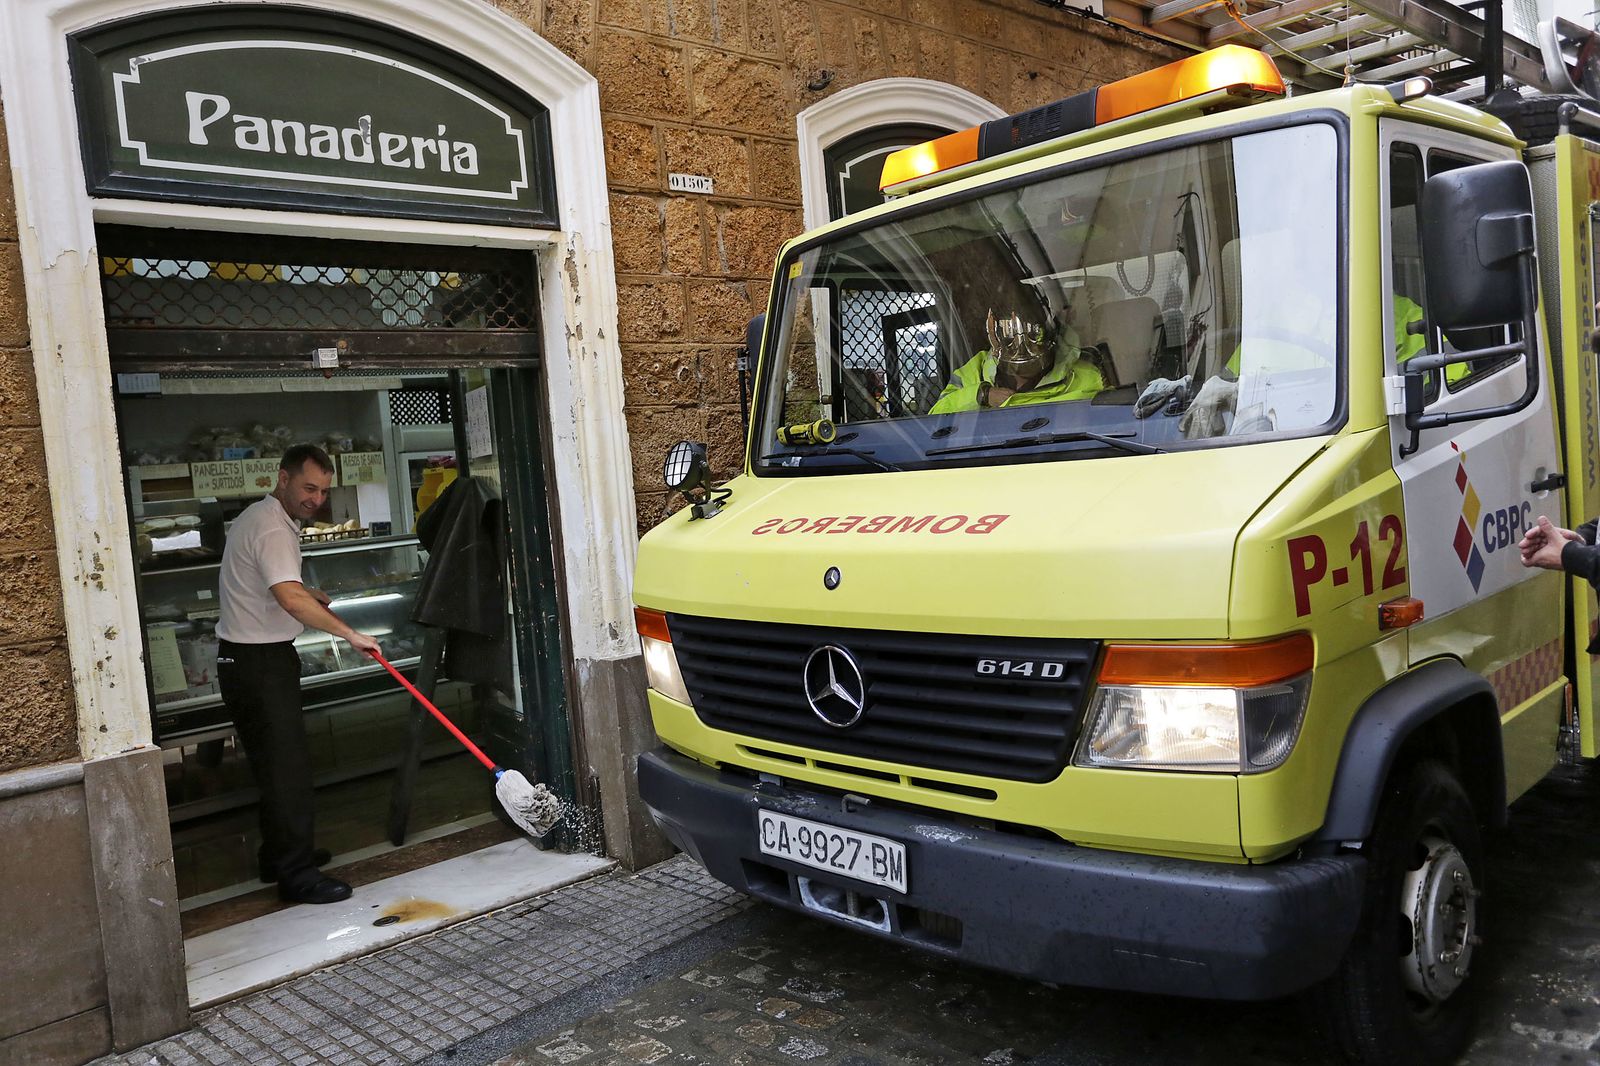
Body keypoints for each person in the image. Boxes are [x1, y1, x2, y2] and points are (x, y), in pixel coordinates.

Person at [216, 444, 381, 904]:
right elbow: (288, 599)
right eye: (309, 487)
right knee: (288, 771)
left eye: (324, 491)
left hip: (243, 661)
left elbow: (273, 585)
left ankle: (279, 855)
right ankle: (297, 875)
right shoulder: (273, 528)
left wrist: (308, 590)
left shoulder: (258, 516)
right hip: (261, 665)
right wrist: (351, 635)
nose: (317, 499)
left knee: (273, 768)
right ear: (283, 478)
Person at [929, 306, 1104, 414]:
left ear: (1050, 332)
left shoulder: (1086, 377)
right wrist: (982, 395)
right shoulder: (972, 373)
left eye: (1034, 333)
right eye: (1009, 333)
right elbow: (936, 420)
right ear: (995, 335)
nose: (1022, 346)